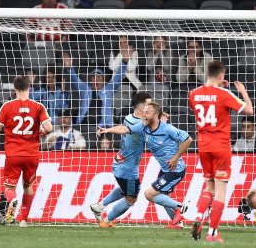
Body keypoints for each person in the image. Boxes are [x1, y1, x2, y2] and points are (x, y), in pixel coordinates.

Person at [98, 102, 192, 228]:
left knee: (149, 194)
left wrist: (176, 157)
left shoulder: (167, 129)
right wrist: (108, 130)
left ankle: (179, 207)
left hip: (175, 170)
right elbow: (125, 128)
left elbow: (188, 139)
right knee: (164, 198)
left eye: (147, 113)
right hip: (165, 169)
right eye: (143, 113)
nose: (143, 115)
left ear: (155, 115)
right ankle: (177, 223)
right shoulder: (143, 127)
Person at [188, 60, 253, 242]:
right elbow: (249, 110)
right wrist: (242, 92)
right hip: (221, 146)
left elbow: (206, 104)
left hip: (203, 147)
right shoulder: (224, 94)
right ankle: (212, 233)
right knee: (221, 191)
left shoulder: (193, 94)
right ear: (221, 76)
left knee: (209, 187)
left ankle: (199, 216)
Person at [0, 75, 53, 227]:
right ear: (29, 88)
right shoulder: (38, 106)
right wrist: (42, 132)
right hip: (32, 154)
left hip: (13, 153)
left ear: (14, 88)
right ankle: (23, 220)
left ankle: (12, 200)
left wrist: (8, 126)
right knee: (28, 186)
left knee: (9, 187)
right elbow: (49, 128)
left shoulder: (7, 106)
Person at [90, 92, 151, 227]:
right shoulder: (141, 125)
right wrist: (108, 130)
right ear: (142, 108)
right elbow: (125, 129)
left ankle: (99, 206)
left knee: (129, 189)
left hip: (119, 162)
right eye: (149, 104)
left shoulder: (129, 117)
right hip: (128, 168)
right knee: (131, 198)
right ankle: (106, 221)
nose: (151, 107)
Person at [63, 49, 127, 128]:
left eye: (99, 77)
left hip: (104, 127)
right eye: (93, 77)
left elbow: (118, 77)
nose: (96, 79)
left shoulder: (108, 89)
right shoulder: (85, 89)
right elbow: (75, 79)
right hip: (83, 126)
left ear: (104, 82)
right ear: (90, 80)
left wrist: (124, 62)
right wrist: (69, 68)